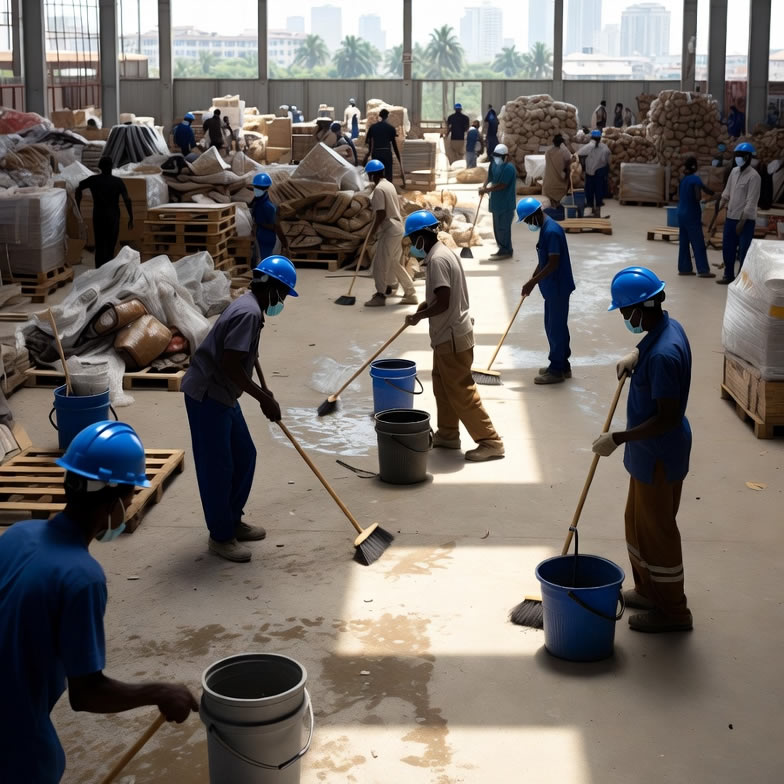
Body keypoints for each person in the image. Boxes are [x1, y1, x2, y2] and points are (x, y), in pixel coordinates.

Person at [0, 421, 198, 782]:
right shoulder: (81, 577)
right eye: (129, 498)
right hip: (13, 742)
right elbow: (87, 693)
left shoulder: (18, 534)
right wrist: (161, 692)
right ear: (111, 503)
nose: (129, 506)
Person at [592, 266, 694, 633]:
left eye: (625, 312)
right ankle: (648, 590)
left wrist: (617, 439)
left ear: (643, 306)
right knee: (636, 525)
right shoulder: (664, 328)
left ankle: (673, 612)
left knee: (658, 533)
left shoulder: (665, 354)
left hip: (659, 454)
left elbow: (666, 419)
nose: (623, 318)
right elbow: (652, 344)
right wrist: (636, 354)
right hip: (647, 454)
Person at [182, 256, 297, 562]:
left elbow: (244, 354)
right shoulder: (247, 313)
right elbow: (232, 366)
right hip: (208, 395)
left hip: (224, 394)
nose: (283, 301)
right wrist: (263, 398)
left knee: (245, 455)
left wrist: (263, 390)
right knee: (218, 468)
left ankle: (232, 520)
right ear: (271, 288)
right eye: (283, 293)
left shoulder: (251, 307)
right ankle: (220, 537)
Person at [403, 210, 504, 462]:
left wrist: (419, 316)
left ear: (421, 236)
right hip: (447, 336)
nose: (411, 245)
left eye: (411, 239)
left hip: (451, 336)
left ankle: (491, 441)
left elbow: (445, 302)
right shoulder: (442, 253)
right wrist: (425, 305)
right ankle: (448, 434)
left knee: (461, 391)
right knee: (443, 387)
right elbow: (442, 294)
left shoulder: (437, 260)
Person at [517, 197, 575, 385]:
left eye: (526, 220)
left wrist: (533, 282)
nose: (527, 224)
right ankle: (563, 365)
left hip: (558, 286)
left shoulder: (551, 231)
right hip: (552, 287)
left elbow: (553, 263)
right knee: (554, 325)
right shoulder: (546, 229)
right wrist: (531, 282)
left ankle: (556, 369)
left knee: (555, 328)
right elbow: (543, 260)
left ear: (534, 215)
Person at [364, 160, 417, 308]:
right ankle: (410, 293)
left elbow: (380, 214)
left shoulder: (379, 190)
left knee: (380, 264)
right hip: (398, 228)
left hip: (390, 230)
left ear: (372, 175)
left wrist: (372, 233)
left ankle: (380, 295)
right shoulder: (389, 185)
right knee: (394, 264)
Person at [75, 156, 133, 268]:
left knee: (100, 244)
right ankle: (108, 270)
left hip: (98, 215)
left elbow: (78, 189)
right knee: (111, 243)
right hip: (113, 216)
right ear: (111, 167)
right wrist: (131, 217)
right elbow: (127, 199)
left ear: (99, 167)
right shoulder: (118, 182)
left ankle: (99, 269)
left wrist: (78, 206)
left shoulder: (93, 180)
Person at [717, 141, 761, 284]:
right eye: (737, 155)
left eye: (741, 156)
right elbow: (727, 192)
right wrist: (721, 202)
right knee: (727, 248)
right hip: (731, 218)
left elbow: (751, 202)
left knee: (744, 251)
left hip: (745, 221)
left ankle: (741, 280)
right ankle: (728, 275)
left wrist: (742, 221)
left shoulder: (754, 177)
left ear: (748, 157)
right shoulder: (734, 172)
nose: (738, 158)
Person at [677, 156, 715, 278]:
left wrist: (713, 193)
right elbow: (698, 195)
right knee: (698, 242)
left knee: (684, 242)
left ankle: (684, 268)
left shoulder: (684, 179)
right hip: (691, 214)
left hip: (681, 214)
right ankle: (703, 270)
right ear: (694, 166)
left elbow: (704, 188)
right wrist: (704, 199)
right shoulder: (695, 179)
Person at [479, 143, 517, 260]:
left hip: (506, 203)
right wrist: (483, 186)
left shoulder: (509, 168)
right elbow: (490, 176)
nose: (496, 158)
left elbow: (502, 185)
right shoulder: (494, 164)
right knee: (497, 227)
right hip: (496, 202)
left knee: (504, 228)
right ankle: (501, 248)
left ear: (506, 156)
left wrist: (487, 189)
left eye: (499, 156)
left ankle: (507, 250)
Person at [250, 173, 288, 262]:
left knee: (266, 259)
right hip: (259, 235)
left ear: (267, 188)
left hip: (267, 237)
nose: (257, 190)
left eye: (261, 188)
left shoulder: (269, 207)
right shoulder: (256, 203)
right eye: (256, 187)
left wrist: (285, 243)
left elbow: (276, 226)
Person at [365, 108, 406, 188]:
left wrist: (368, 155)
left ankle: (377, 189)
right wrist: (398, 157)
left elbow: (368, 142)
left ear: (380, 116)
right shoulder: (390, 128)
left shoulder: (373, 127)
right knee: (388, 174)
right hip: (386, 153)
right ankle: (388, 189)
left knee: (377, 173)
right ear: (387, 117)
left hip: (376, 153)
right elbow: (394, 144)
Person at [578, 129, 611, 218]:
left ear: (591, 137)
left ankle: (591, 209)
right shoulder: (604, 147)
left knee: (590, 191)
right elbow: (607, 160)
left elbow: (579, 153)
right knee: (599, 192)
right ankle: (597, 212)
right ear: (600, 138)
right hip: (600, 172)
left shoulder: (588, 146)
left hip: (590, 173)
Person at [542, 134, 572, 208]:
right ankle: (557, 205)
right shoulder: (564, 152)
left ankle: (553, 205)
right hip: (560, 180)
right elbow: (569, 161)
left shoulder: (548, 151)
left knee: (551, 199)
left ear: (553, 142)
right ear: (562, 143)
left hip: (549, 181)